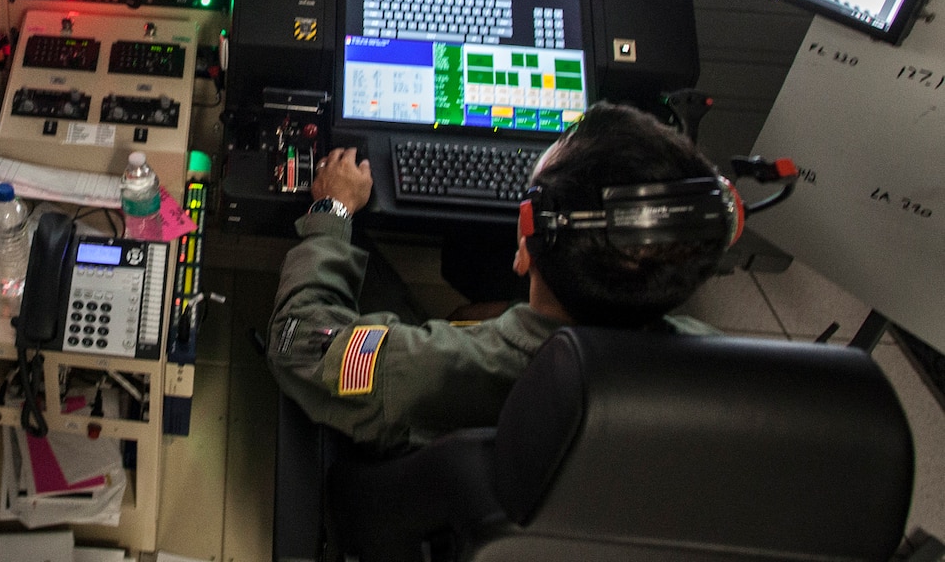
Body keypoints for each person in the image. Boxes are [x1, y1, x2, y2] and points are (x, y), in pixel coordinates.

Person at [266, 102, 721, 455]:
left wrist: (334, 210)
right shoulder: (723, 368)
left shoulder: (439, 366)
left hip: (421, 486)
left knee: (345, 255)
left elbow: (299, 342)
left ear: (524, 247)